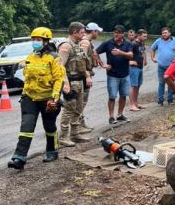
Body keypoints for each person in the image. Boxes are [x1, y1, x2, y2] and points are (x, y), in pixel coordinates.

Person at [7, 27, 65, 170]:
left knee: (49, 127)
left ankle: (52, 151)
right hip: (30, 98)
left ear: (46, 41)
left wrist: (55, 98)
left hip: (48, 98)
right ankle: (19, 158)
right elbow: (27, 79)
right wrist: (24, 94)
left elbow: (59, 79)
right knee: (26, 126)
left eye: (38, 40)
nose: (35, 42)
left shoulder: (54, 58)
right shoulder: (30, 58)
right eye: (33, 39)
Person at [58, 22, 92, 146]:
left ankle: (75, 134)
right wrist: (65, 85)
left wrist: (87, 76)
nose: (84, 35)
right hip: (70, 82)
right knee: (69, 109)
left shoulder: (77, 45)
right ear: (74, 32)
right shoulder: (66, 46)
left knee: (78, 109)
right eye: (82, 33)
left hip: (79, 81)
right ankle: (63, 137)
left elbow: (81, 63)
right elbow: (60, 67)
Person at [95, 25, 134, 124]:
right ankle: (111, 116)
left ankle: (120, 115)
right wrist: (102, 64)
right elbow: (95, 52)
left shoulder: (128, 43)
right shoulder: (108, 43)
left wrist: (120, 52)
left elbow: (131, 55)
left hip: (125, 74)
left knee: (123, 95)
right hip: (112, 75)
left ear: (123, 34)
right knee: (112, 96)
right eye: (114, 32)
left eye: (118, 32)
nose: (116, 34)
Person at [79, 21, 103, 133]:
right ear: (93, 31)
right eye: (97, 31)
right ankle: (78, 126)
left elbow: (93, 55)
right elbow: (81, 59)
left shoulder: (88, 42)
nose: (98, 33)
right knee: (81, 101)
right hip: (83, 76)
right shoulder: (85, 43)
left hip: (85, 74)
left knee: (82, 101)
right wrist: (87, 75)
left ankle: (80, 124)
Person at [150, 26, 175, 105]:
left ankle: (170, 100)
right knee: (161, 83)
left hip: (171, 66)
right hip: (161, 66)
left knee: (171, 83)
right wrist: (152, 58)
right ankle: (160, 100)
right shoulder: (158, 41)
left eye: (165, 33)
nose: (164, 34)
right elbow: (152, 49)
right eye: (162, 33)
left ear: (169, 33)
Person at [129, 28, 148, 111]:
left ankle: (136, 103)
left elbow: (143, 52)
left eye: (146, 36)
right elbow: (126, 54)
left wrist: (145, 59)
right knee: (133, 86)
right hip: (134, 68)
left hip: (140, 67)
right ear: (139, 35)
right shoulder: (133, 44)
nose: (145, 38)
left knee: (138, 86)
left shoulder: (142, 43)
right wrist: (130, 61)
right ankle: (132, 105)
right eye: (144, 36)